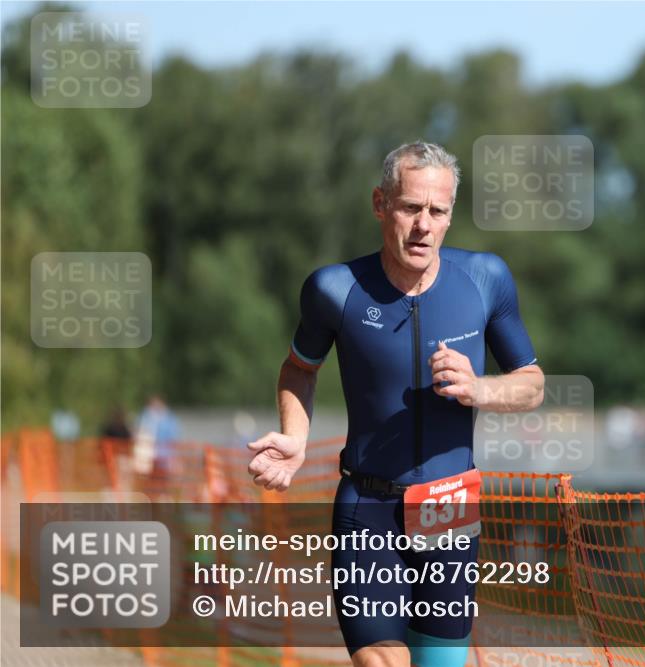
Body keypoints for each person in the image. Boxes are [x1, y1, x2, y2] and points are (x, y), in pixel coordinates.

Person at [247, 141, 544, 667]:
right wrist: (296, 437)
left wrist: (481, 389)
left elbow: (532, 383)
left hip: (449, 507)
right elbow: (299, 368)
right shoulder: (334, 288)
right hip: (368, 507)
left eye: (438, 211)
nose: (423, 225)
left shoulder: (484, 279)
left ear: (452, 215)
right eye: (410, 208)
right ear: (380, 204)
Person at [135, 394, 180, 478]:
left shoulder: (169, 418)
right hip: (147, 453)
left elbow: (173, 437)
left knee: (162, 478)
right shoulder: (145, 416)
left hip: (164, 455)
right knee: (146, 477)